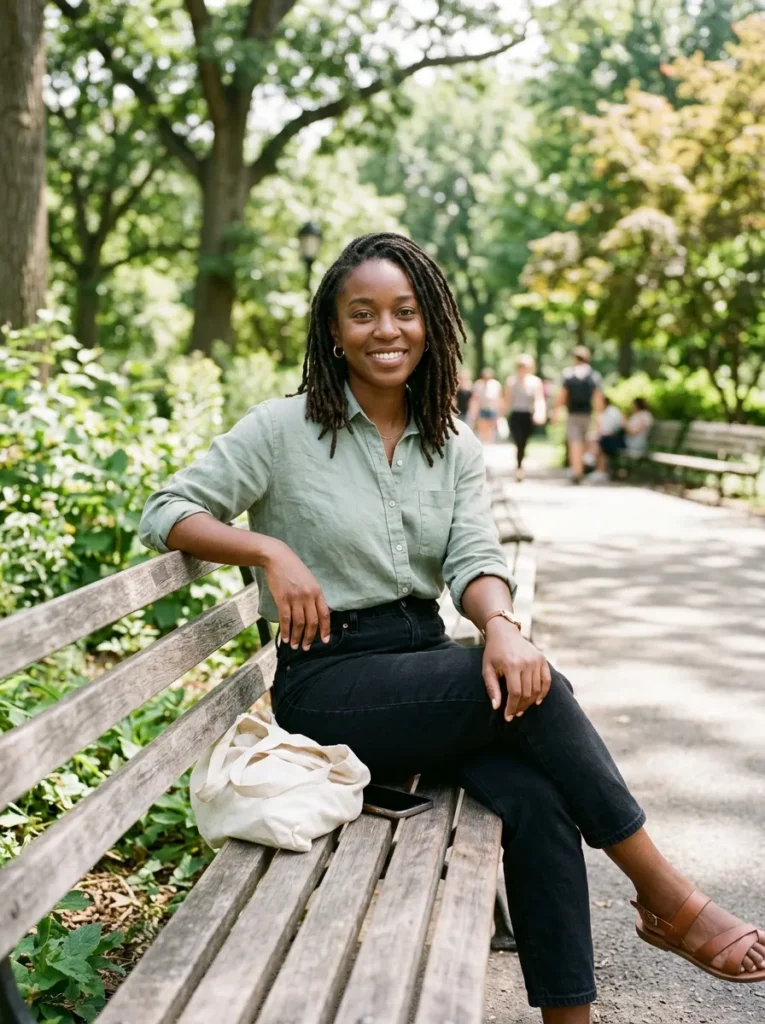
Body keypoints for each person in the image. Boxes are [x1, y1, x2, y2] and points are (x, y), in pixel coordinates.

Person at [139, 233, 765, 1024]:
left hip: (424, 671)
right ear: (332, 331)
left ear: (429, 323)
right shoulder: (282, 429)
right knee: (538, 690)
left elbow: (473, 556)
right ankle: (665, 895)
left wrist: (500, 623)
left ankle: (570, 1018)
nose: (385, 329)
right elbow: (164, 510)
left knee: (537, 796)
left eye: (403, 311)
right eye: (361, 313)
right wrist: (268, 548)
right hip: (329, 683)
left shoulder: (452, 443)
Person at [554, 346, 604, 484]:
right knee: (584, 442)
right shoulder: (593, 375)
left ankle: (577, 472)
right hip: (588, 414)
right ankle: (579, 470)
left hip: (573, 414)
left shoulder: (569, 374)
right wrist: (599, 416)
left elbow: (563, 395)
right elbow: (598, 397)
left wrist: (556, 411)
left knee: (575, 442)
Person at [504, 354, 546, 481]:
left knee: (524, 443)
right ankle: (519, 467)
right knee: (519, 440)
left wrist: (540, 413)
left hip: (528, 416)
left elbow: (539, 399)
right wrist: (500, 416)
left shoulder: (535, 382)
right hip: (516, 415)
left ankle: (520, 462)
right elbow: (507, 400)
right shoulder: (511, 381)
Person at [592, 395, 625, 481]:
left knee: (602, 442)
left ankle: (601, 471)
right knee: (598, 439)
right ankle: (599, 470)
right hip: (609, 438)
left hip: (617, 440)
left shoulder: (612, 411)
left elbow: (610, 429)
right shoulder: (603, 412)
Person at [468, 366, 503, 443]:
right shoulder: (478, 385)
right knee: (482, 426)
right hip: (482, 408)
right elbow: (474, 399)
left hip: (492, 409)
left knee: (491, 426)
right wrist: (473, 411)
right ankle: (483, 441)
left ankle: (489, 441)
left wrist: (500, 410)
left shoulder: (496, 385)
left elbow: (499, 398)